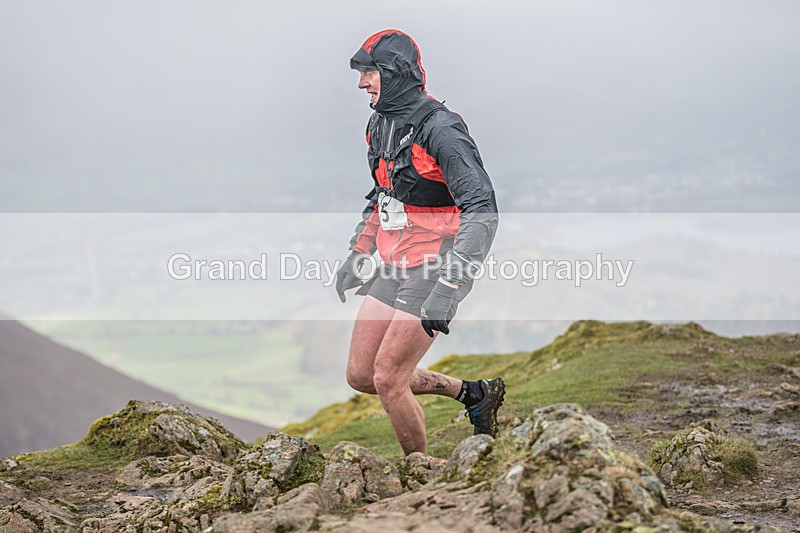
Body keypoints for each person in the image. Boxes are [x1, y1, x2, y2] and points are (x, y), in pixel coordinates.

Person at [335, 29, 503, 456]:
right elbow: (384, 194)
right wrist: (359, 253)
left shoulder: (441, 130)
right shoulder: (379, 125)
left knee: (389, 379)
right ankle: (473, 394)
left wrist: (449, 288)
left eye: (369, 72)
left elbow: (482, 208)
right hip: (396, 263)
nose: (361, 83)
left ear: (394, 73)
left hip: (436, 266)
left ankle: (420, 476)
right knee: (360, 375)